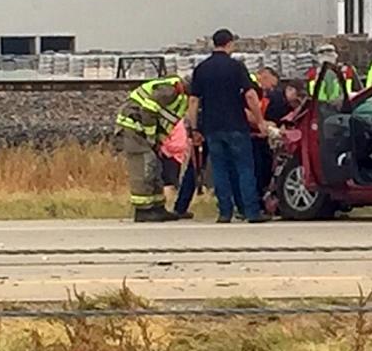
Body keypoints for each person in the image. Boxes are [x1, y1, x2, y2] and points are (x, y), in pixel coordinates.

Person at [187, 28, 270, 224]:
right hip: (236, 125)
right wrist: (260, 122)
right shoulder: (236, 67)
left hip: (212, 127)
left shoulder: (201, 69)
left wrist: (195, 129)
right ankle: (251, 212)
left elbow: (193, 101)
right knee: (244, 168)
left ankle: (225, 212)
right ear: (229, 44)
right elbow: (250, 95)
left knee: (220, 169)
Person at [114, 75, 189, 223]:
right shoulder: (168, 90)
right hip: (133, 129)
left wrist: (158, 141)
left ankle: (157, 207)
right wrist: (151, 138)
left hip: (144, 131)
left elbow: (167, 122)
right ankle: (143, 211)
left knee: (155, 166)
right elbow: (148, 112)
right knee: (143, 167)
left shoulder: (180, 98)